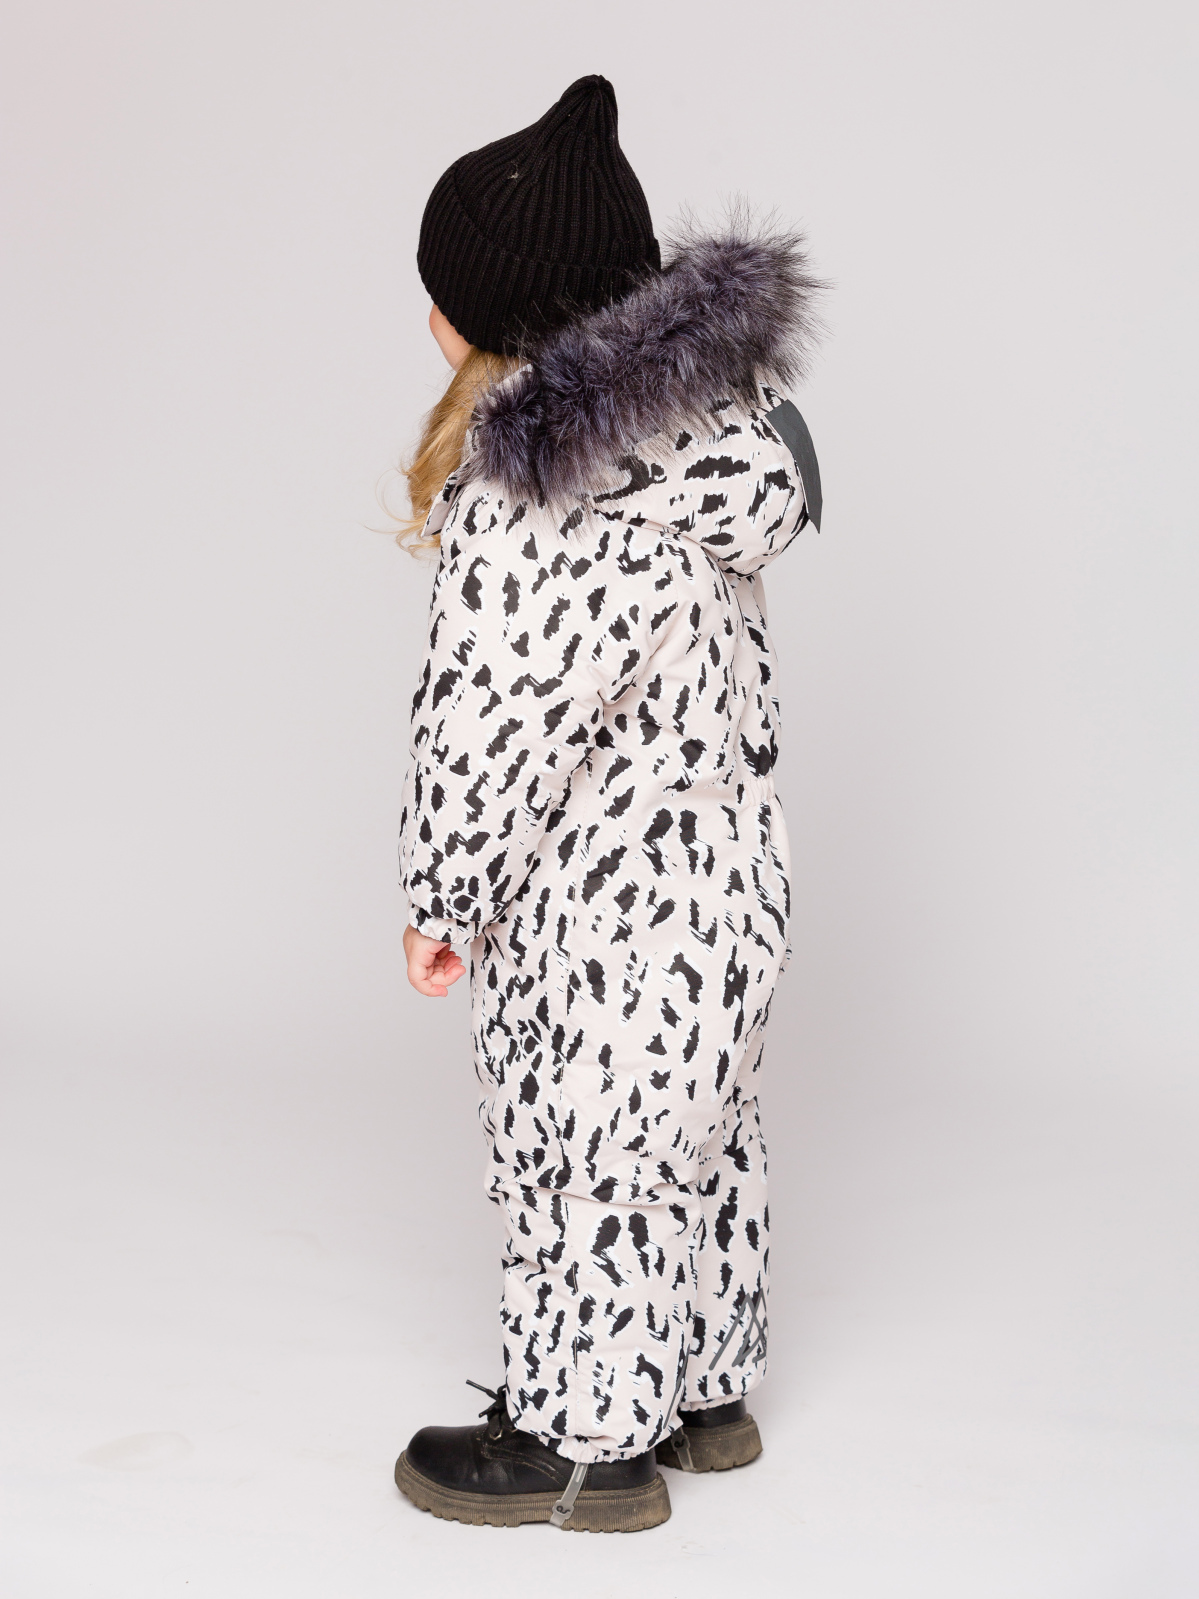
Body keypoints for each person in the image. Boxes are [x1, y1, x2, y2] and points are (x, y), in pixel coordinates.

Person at [392, 74, 823, 1533]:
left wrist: (441, 895)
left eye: (443, 291)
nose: (429, 311)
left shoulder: (535, 497)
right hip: (732, 885)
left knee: (587, 1151)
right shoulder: (706, 448)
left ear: (492, 319)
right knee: (699, 1135)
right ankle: (703, 1393)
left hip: (601, 908)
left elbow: (487, 726)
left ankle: (585, 1443)